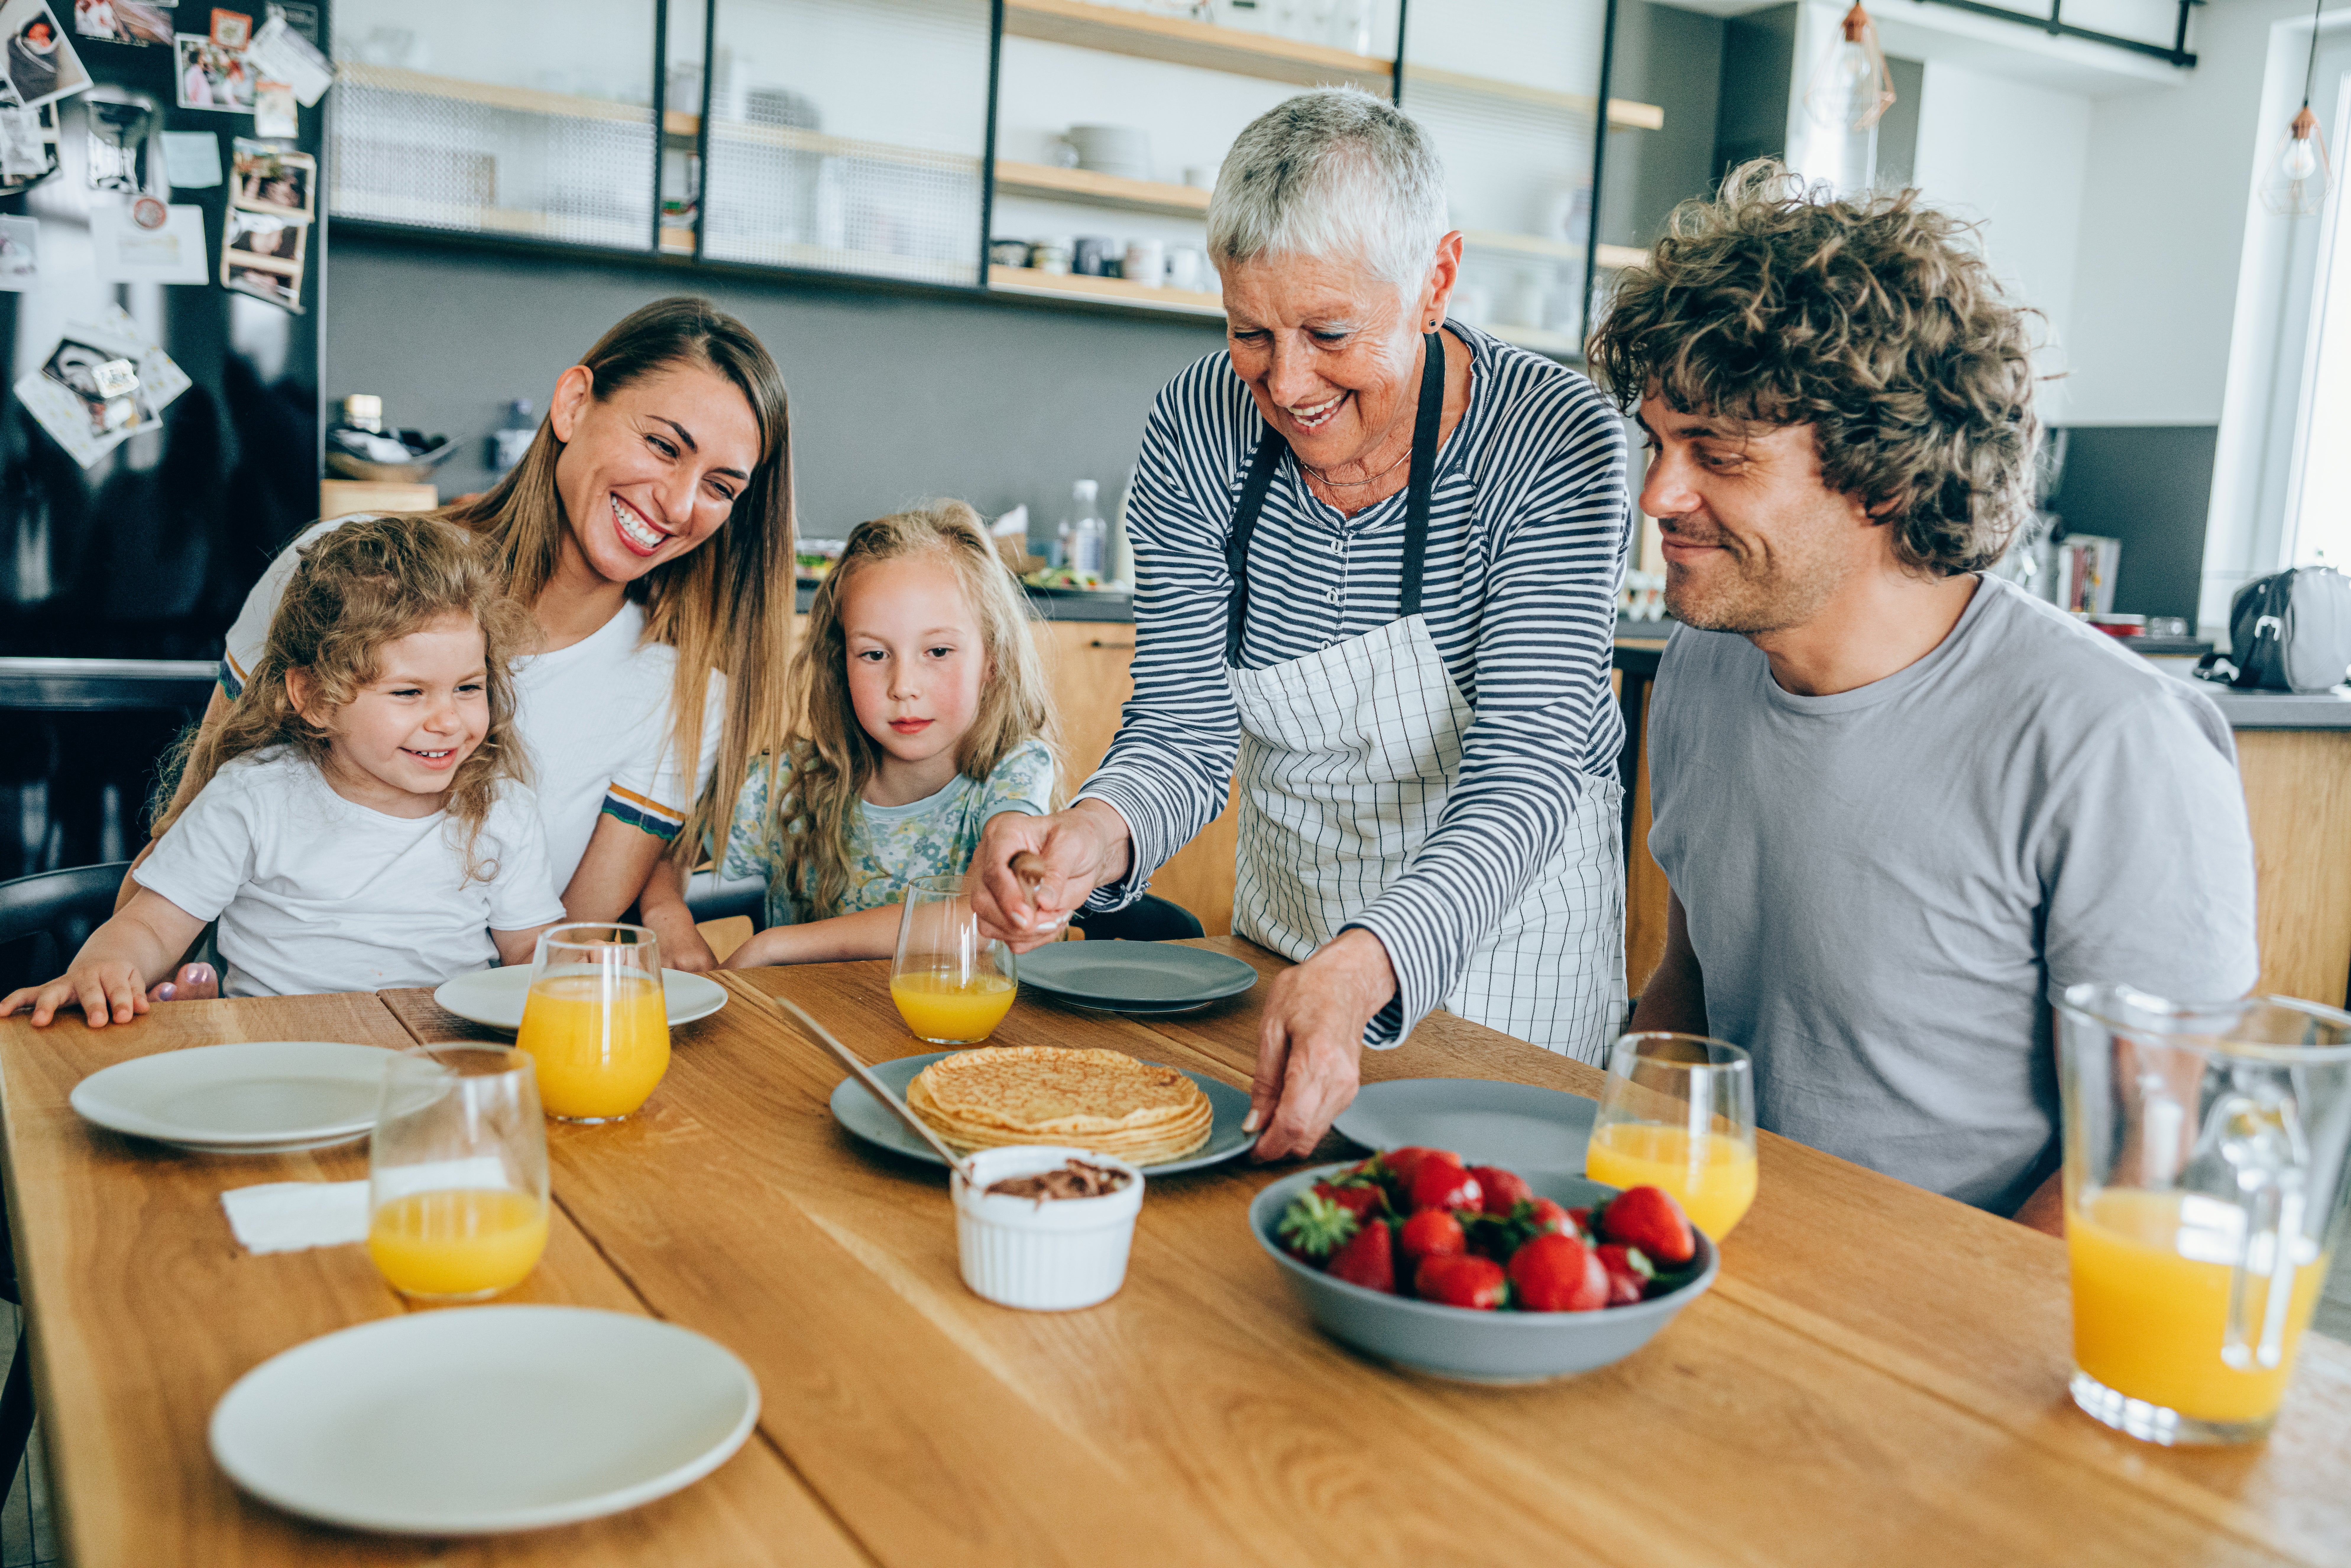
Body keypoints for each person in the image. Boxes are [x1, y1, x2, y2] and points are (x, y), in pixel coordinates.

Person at [1589, 163, 2259, 1232]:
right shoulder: (1707, 663)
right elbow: (1690, 988)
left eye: (1716, 454)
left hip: (1955, 1336)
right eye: (1657, 444)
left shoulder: (2113, 742)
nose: (1657, 496)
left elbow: (2148, 1156)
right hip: (1722, 1263)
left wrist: (1927, 1352)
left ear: (1885, 478)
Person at [968, 88, 1633, 1159]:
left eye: (1329, 333)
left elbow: (1525, 771)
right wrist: (1086, 841)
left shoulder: (1553, 442)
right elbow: (1181, 731)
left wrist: (1366, 962)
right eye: (1249, 332)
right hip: (1287, 957)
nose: (1285, 382)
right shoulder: (1197, 426)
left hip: (1508, 978)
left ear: (1437, 280)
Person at [133, 296, 797, 988]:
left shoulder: (682, 696)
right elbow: (178, 841)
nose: (680, 504)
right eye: (663, 446)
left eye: (720, 487)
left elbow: (547, 967)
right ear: (572, 404)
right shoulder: (336, 570)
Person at [4, 517, 565, 1024]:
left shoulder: (499, 809)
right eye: (409, 692)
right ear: (317, 697)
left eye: (468, 688)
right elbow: (152, 925)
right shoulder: (253, 797)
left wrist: (574, 968)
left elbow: (529, 954)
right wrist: (106, 966)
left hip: (441, 1066)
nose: (448, 720)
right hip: (279, 1061)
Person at [699, 501, 1056, 966]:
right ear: (839, 662)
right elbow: (658, 848)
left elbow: (984, 920)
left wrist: (777, 944)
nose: (903, 687)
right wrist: (668, 917)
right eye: (873, 655)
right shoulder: (784, 785)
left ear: (993, 659)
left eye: (939, 651)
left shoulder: (1012, 773)